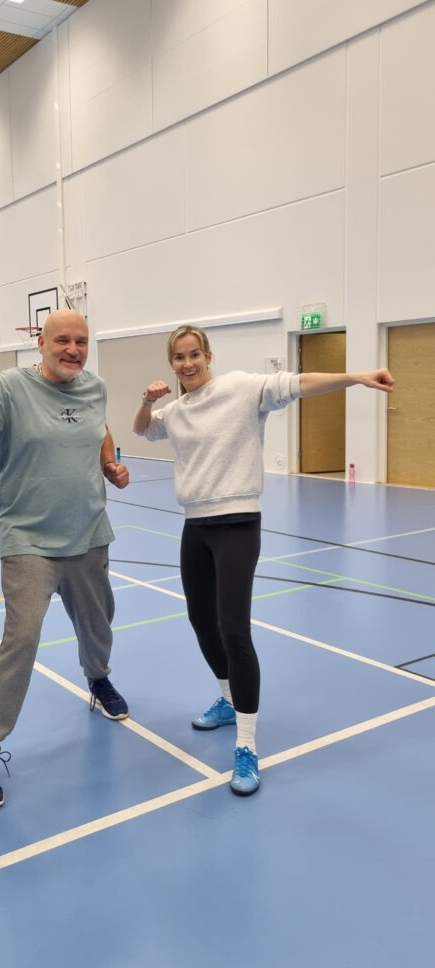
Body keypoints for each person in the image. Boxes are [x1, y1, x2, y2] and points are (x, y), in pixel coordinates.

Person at [134, 325, 394, 796]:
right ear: (172, 363)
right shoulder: (177, 410)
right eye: (179, 357)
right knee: (201, 621)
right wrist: (146, 401)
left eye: (194, 354)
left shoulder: (240, 388)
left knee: (234, 629)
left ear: (208, 356)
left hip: (237, 524)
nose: (188, 364)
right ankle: (227, 699)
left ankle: (247, 746)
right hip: (195, 526)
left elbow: (299, 383)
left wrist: (355, 376)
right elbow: (144, 429)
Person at [0, 312, 130, 809]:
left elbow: (101, 428)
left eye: (81, 341)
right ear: (41, 342)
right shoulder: (11, 388)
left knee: (98, 625)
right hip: (28, 540)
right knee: (22, 639)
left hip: (89, 535)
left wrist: (109, 461)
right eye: (63, 340)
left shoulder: (95, 388)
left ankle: (98, 678)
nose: (73, 349)